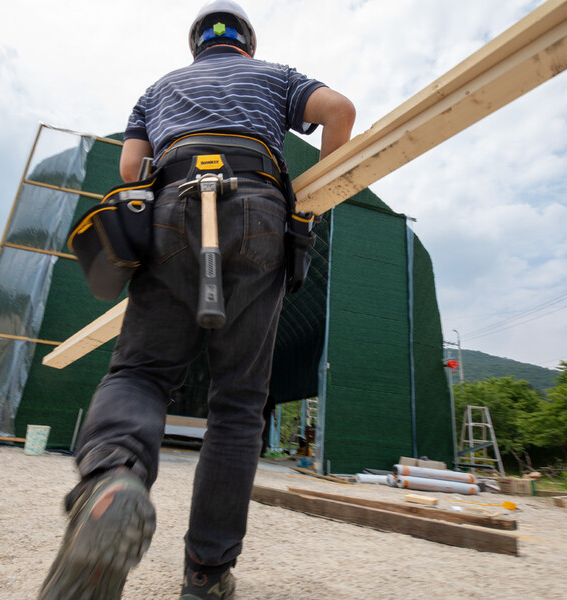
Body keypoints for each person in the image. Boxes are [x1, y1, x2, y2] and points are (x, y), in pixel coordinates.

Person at [39, 2, 354, 599]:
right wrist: (314, 200)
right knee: (238, 403)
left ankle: (114, 479)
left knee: (142, 371)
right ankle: (207, 575)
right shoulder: (275, 76)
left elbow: (132, 167)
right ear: (246, 44)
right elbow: (339, 111)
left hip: (173, 206)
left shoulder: (159, 89)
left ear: (196, 47)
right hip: (259, 206)